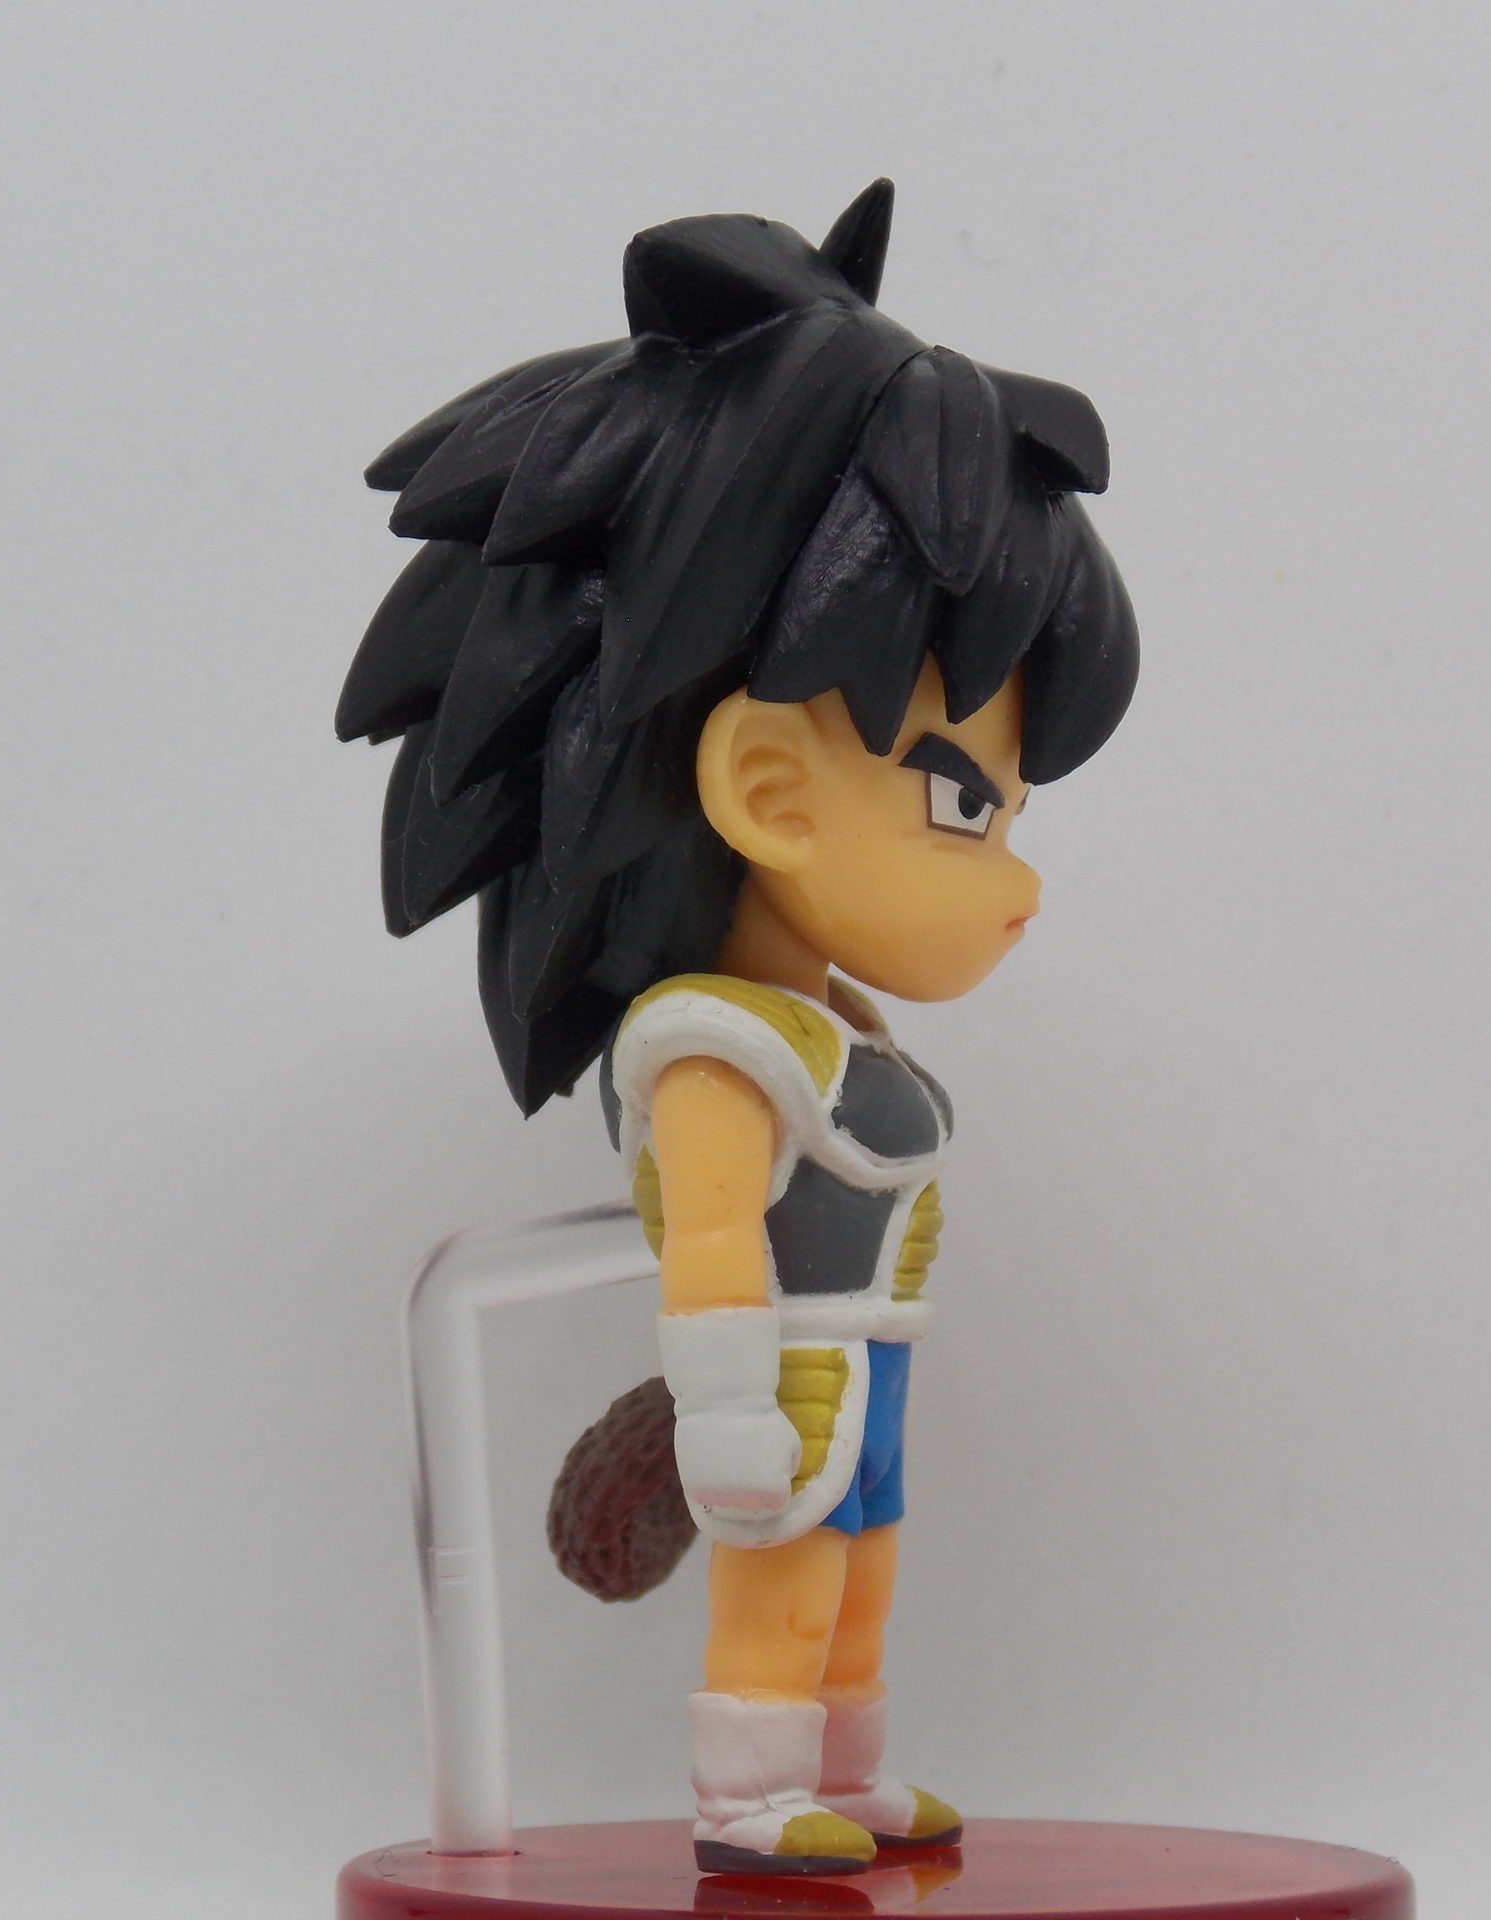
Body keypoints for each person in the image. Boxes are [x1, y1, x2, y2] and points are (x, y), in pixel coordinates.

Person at [342, 181, 1138, 1876]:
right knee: (783, 1585)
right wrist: (720, 1412)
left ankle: (841, 1768)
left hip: (866, 1367)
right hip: (783, 1378)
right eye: (965, 804)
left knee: (861, 1581)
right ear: (767, 787)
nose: (1015, 878)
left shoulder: (833, 1023)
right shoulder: (719, 1047)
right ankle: (749, 1789)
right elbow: (710, 1242)